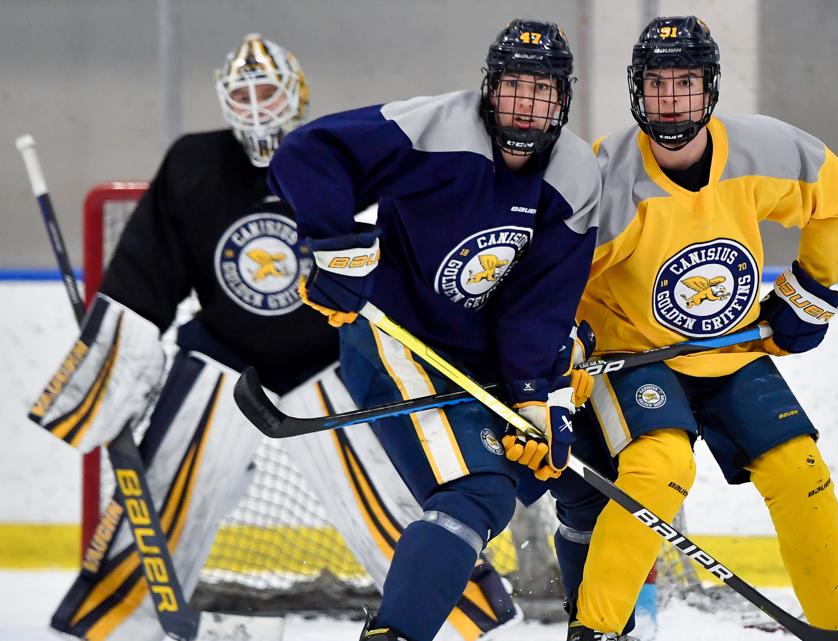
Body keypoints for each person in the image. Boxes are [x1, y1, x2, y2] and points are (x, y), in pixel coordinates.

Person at [28, 34, 516, 641]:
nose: (256, 106)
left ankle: (455, 611)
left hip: (332, 357)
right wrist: (107, 375)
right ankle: (118, 617)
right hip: (224, 355)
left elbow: (397, 256)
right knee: (159, 491)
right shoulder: (195, 164)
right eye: (243, 93)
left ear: (297, 94)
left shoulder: (344, 152)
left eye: (267, 90)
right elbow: (143, 275)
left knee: (391, 499)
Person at [265, 18, 601, 641]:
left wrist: (534, 392)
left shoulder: (576, 176)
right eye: (513, 88)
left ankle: (600, 625)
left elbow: (540, 299)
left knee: (572, 476)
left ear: (564, 100)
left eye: (543, 92)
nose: (526, 108)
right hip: (394, 335)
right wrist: (342, 250)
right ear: (489, 89)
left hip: (480, 361)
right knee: (477, 492)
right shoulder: (435, 126)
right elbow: (306, 154)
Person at [550, 16, 838, 640]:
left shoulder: (762, 150)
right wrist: (562, 342)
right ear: (636, 91)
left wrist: (807, 289)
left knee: (799, 469)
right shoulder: (606, 175)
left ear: (711, 89)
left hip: (731, 352)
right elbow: (553, 272)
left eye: (686, 82)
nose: (671, 99)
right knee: (660, 468)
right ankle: (595, 631)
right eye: (657, 83)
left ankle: (836, 630)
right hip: (634, 355)